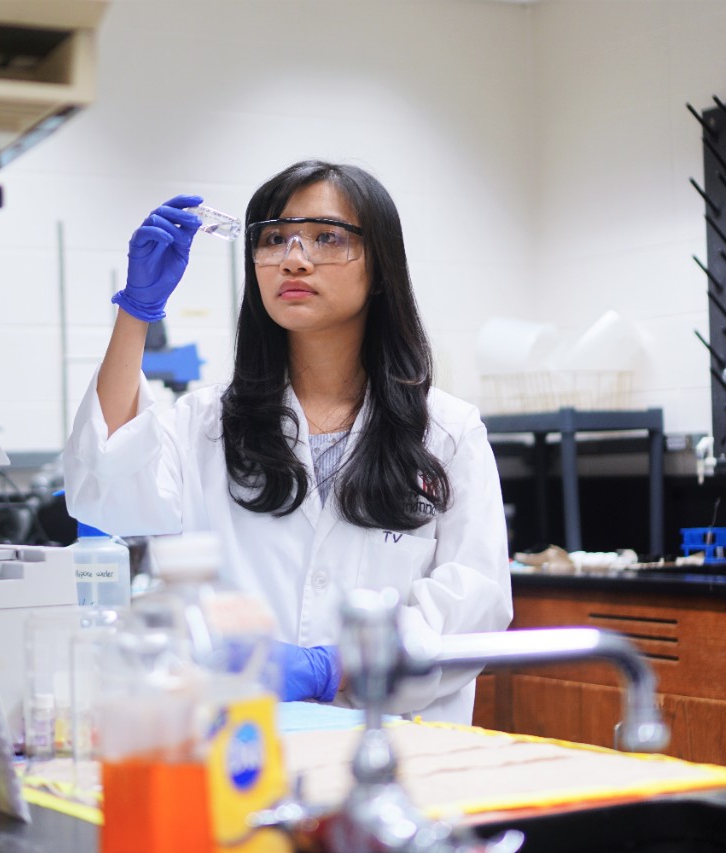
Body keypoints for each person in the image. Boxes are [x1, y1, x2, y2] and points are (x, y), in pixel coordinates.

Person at [63, 160, 512, 723]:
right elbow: (102, 493)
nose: (294, 258)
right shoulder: (206, 423)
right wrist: (137, 311)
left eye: (327, 237)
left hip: (399, 750)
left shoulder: (446, 432)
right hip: (244, 751)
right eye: (274, 239)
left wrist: (334, 666)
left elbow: (474, 605)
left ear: (380, 267)